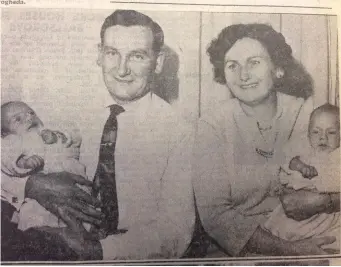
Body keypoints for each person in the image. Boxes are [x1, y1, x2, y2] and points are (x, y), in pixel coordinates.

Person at [3, 10, 196, 260]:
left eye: (137, 56)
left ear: (158, 62)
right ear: (99, 55)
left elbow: (176, 233)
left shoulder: (180, 132)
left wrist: (96, 250)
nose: (122, 70)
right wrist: (30, 184)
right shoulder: (70, 113)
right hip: (53, 239)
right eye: (112, 53)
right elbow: (11, 152)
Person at [192, 23, 336, 257]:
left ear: (277, 68)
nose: (244, 75)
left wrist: (325, 202)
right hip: (241, 251)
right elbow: (215, 217)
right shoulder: (212, 125)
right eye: (232, 66)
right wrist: (290, 252)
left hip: (312, 235)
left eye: (254, 62)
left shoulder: (306, 113)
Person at [1, 101, 90, 232]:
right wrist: (22, 162)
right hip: (40, 199)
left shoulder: (48, 130)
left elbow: (75, 138)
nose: (29, 118)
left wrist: (58, 136)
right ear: (4, 133)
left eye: (31, 113)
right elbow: (6, 158)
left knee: (84, 211)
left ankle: (88, 232)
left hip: (76, 183)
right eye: (18, 119)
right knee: (32, 216)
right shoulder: (14, 140)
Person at [264, 104, 340, 252]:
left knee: (331, 237)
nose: (322, 137)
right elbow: (287, 162)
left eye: (331, 133)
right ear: (308, 135)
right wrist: (300, 166)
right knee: (283, 229)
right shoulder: (306, 152)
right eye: (316, 132)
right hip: (294, 208)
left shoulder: (337, 155)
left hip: (326, 214)